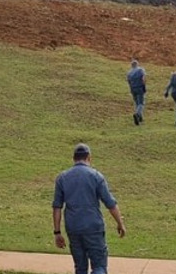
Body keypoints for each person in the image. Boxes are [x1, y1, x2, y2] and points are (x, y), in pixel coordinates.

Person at [52, 143, 126, 274]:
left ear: (74, 158)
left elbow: (57, 206)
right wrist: (120, 223)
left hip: (73, 227)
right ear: (89, 158)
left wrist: (57, 232)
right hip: (93, 227)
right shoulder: (96, 176)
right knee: (99, 266)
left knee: (80, 268)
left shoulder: (62, 178)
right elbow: (110, 203)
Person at [125, 59, 146, 125]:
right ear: (137, 64)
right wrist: (144, 87)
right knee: (141, 103)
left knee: (136, 103)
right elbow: (143, 79)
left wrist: (131, 88)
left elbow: (128, 81)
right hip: (139, 88)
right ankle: (137, 114)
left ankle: (140, 118)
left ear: (131, 65)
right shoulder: (140, 70)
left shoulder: (129, 72)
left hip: (133, 89)